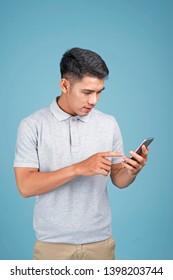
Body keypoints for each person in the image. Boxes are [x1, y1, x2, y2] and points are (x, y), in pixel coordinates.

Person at [14, 47, 148, 260]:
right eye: (87, 92)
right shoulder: (32, 125)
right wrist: (78, 168)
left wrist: (132, 171)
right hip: (52, 245)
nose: (94, 100)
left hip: (100, 242)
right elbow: (25, 186)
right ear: (64, 85)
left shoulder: (108, 123)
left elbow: (119, 180)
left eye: (99, 92)